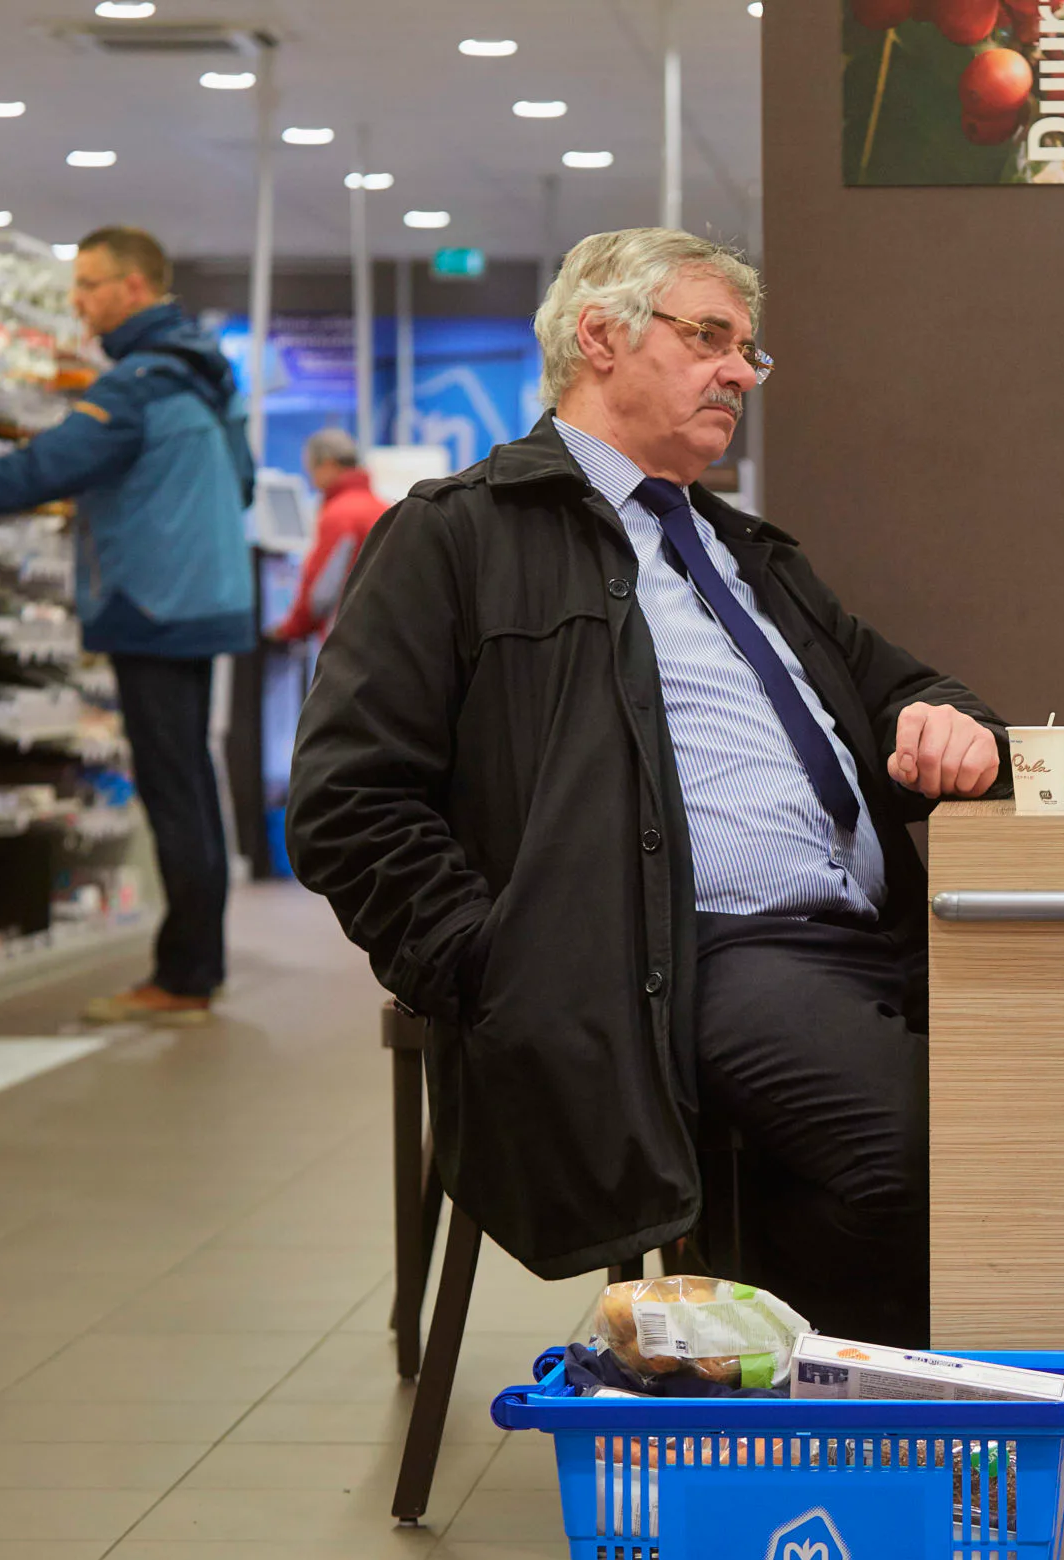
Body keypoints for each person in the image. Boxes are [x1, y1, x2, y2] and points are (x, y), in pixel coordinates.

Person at [286, 228, 1007, 1348]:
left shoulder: (747, 552)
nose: (737, 372)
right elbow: (347, 802)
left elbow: (908, 685)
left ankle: (830, 1419)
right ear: (600, 336)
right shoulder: (459, 535)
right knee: (915, 1159)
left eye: (748, 352)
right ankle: (866, 1465)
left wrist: (947, 720)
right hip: (685, 958)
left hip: (888, 942)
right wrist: (496, 966)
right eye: (709, 337)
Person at [0, 226, 254, 1027]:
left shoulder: (138, 386)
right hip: (201, 601)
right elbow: (246, 486)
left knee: (174, 790)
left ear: (133, 288)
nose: (77, 303)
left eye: (88, 285)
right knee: (189, 783)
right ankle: (197, 964)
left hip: (152, 608)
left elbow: (35, 472)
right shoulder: (209, 377)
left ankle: (184, 976)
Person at [267, 427, 389, 646]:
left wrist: (290, 629)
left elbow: (321, 592)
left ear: (329, 465)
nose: (313, 482)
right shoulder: (383, 507)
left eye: (312, 470)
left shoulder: (339, 514)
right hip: (381, 635)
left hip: (349, 639)